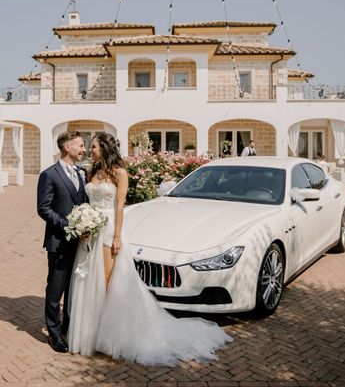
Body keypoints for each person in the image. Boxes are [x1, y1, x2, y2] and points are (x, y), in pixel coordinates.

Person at [67, 132, 231, 365]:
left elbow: (120, 207)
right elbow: (87, 200)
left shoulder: (119, 173)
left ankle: (106, 335)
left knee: (105, 281)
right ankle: (88, 332)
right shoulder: (91, 171)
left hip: (108, 229)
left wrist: (116, 236)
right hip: (90, 231)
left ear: (104, 148)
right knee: (88, 279)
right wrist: (83, 222)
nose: (90, 150)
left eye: (93, 146)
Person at [37, 131, 87, 354]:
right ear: (68, 147)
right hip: (59, 240)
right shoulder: (49, 174)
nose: (83, 149)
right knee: (56, 289)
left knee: (73, 288)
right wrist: (69, 225)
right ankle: (54, 334)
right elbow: (43, 208)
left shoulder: (81, 172)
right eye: (80, 145)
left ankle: (68, 327)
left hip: (81, 242)